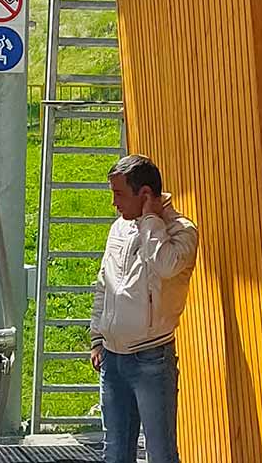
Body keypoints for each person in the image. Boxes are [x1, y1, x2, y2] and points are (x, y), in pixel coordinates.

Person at [89, 154, 198, 463]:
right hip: (112, 359)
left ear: (146, 194)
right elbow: (104, 284)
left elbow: (165, 266)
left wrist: (150, 220)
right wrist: (97, 337)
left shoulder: (182, 231)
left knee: (160, 453)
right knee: (116, 453)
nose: (114, 203)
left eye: (119, 194)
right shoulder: (118, 229)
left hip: (151, 359)